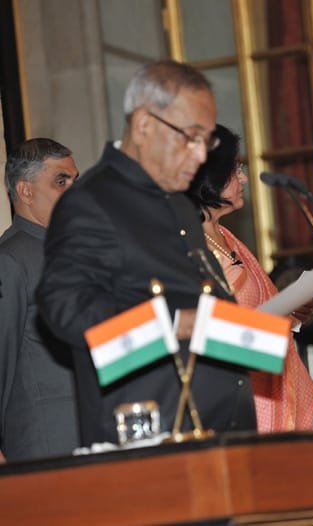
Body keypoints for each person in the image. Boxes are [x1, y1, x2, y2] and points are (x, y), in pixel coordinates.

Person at [37, 60, 257, 446]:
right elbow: (64, 311)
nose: (200, 155)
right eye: (190, 137)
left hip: (223, 433)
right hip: (151, 439)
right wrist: (174, 323)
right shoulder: (92, 202)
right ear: (143, 125)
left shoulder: (180, 204)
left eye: (207, 141)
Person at [187, 124, 313, 431]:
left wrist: (294, 312)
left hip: (267, 380)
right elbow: (209, 326)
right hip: (239, 399)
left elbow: (264, 305)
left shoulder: (228, 238)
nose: (244, 178)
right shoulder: (190, 248)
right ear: (209, 175)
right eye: (235, 170)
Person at [0, 138, 80, 461]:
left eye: (76, 181)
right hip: (43, 444)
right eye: (61, 182)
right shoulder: (10, 260)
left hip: (92, 437)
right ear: (26, 191)